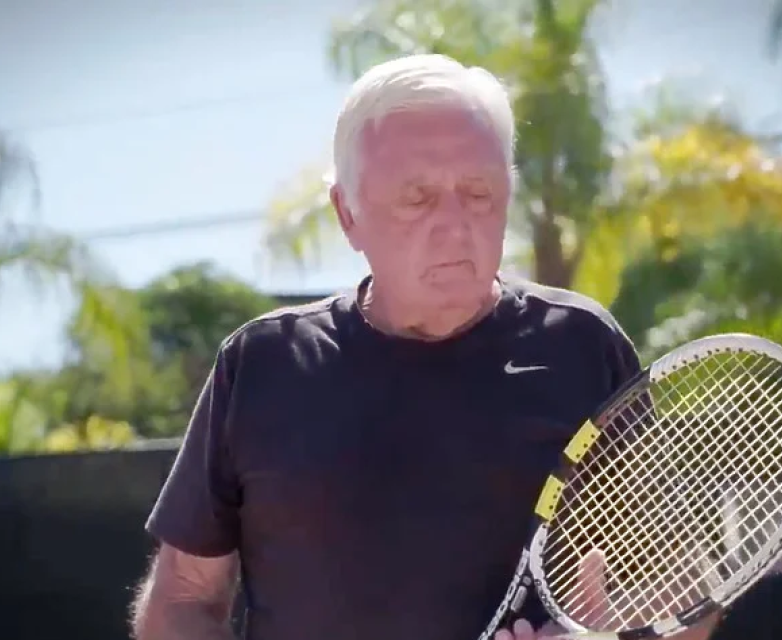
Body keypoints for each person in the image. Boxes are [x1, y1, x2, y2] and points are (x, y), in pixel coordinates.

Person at [130, 54, 718, 640]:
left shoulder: (581, 347)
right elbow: (181, 600)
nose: (456, 225)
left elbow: (686, 590)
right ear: (347, 213)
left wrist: (617, 634)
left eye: (479, 193)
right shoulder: (263, 364)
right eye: (418, 198)